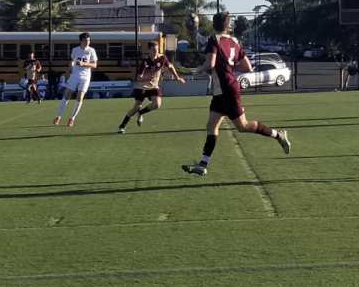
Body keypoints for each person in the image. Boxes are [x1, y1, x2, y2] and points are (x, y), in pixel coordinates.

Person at [182, 12, 290, 176]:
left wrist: (199, 69)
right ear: (227, 25)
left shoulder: (214, 40)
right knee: (211, 125)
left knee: (243, 126)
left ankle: (278, 134)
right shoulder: (234, 41)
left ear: (214, 25)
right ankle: (203, 164)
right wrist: (228, 68)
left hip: (226, 88)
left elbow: (210, 63)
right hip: (222, 89)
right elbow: (247, 66)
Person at [118, 41, 185, 133]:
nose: (156, 52)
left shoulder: (162, 58)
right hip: (141, 86)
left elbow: (170, 67)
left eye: (157, 50)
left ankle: (141, 113)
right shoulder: (145, 62)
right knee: (136, 107)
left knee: (157, 104)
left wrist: (177, 77)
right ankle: (121, 126)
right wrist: (147, 77)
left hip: (154, 86)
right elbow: (138, 78)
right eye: (153, 50)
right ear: (149, 50)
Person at [54, 32, 98, 126]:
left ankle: (72, 118)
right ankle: (58, 116)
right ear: (81, 41)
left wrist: (84, 64)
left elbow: (94, 65)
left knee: (80, 96)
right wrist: (70, 68)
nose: (87, 42)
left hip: (85, 76)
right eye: (85, 40)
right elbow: (72, 60)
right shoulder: (75, 50)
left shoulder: (91, 51)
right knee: (67, 95)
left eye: (89, 40)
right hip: (75, 75)